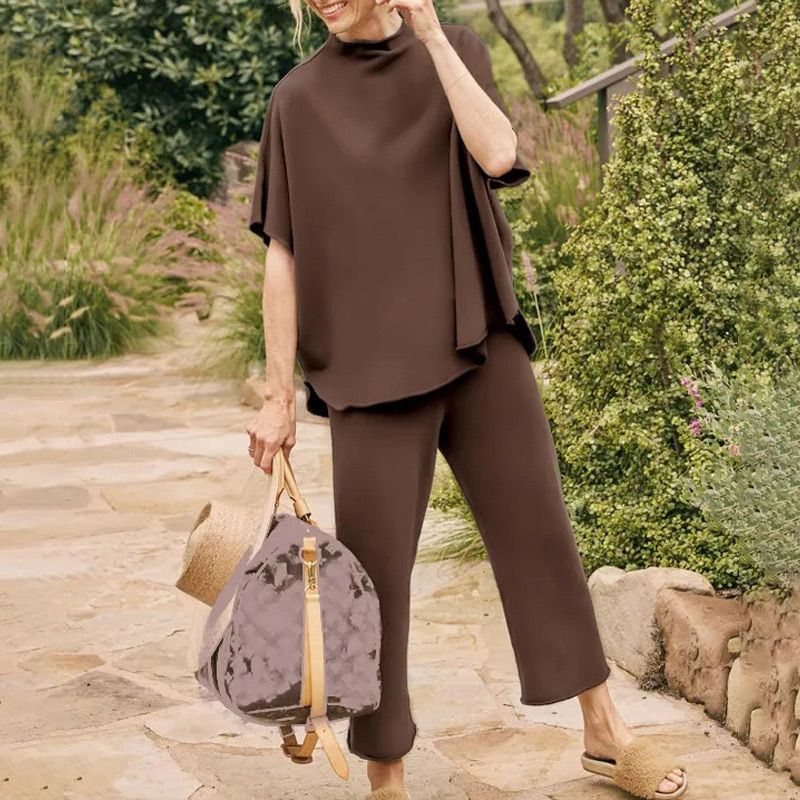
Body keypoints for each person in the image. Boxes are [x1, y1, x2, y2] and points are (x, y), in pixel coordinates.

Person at [245, 1, 688, 799]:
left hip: (476, 340)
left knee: (539, 535)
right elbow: (284, 254)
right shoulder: (297, 100)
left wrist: (431, 36)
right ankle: (386, 775)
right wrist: (277, 394)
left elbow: (500, 153)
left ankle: (604, 733)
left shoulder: (455, 50)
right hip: (367, 372)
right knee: (376, 577)